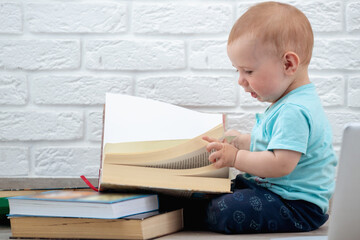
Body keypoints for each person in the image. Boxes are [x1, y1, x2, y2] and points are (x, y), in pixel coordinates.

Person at [202, 1, 337, 233]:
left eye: (249, 71)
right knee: (211, 189)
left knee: (223, 208)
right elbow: (269, 144)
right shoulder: (285, 103)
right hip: (273, 192)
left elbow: (280, 163)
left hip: (297, 206)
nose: (241, 80)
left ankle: (193, 212)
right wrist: (240, 140)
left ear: (288, 64)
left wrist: (236, 157)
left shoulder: (295, 110)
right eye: (238, 71)